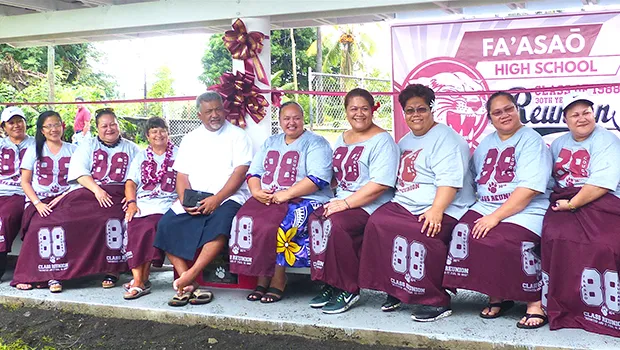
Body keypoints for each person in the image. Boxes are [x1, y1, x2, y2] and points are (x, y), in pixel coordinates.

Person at [359, 84, 475, 321]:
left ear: (432, 109)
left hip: (446, 205)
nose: (415, 115)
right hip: (406, 203)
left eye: (421, 109)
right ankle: (396, 289)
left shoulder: (447, 139)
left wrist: (436, 210)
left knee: (423, 232)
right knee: (377, 223)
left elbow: (450, 183)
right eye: (410, 111)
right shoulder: (405, 141)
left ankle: (435, 300)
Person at [442, 91, 552, 329]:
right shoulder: (487, 142)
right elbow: (474, 178)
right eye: (497, 112)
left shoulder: (531, 139)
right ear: (490, 118)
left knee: (509, 240)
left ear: (517, 110)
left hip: (526, 208)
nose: (505, 115)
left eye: (509, 109)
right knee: (463, 230)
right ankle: (497, 295)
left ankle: (535, 302)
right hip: (487, 204)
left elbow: (530, 189)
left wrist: (494, 217)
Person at [10, 108, 139, 290]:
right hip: (85, 193)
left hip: (115, 194)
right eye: (104, 126)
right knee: (57, 221)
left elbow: (136, 179)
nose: (109, 129)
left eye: (112, 124)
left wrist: (132, 197)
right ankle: (52, 273)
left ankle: (112, 269)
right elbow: (80, 175)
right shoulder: (83, 146)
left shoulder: (132, 148)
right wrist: (96, 191)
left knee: (109, 218)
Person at [154, 91, 252, 307]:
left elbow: (240, 172)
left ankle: (191, 275)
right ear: (200, 115)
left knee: (220, 226)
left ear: (224, 109)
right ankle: (187, 282)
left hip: (227, 196)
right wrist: (185, 200)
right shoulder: (190, 139)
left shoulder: (238, 135)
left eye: (218, 109)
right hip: (195, 196)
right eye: (209, 111)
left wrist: (217, 199)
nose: (214, 115)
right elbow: (182, 176)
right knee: (165, 225)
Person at [229, 101, 333, 303]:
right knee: (244, 218)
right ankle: (261, 275)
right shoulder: (271, 142)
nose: (291, 122)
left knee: (283, 223)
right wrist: (256, 191)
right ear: (280, 121)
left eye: (296, 118)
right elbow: (254, 171)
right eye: (286, 118)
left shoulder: (316, 143)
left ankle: (278, 279)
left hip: (307, 198)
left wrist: (287, 194)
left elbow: (318, 179)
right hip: (271, 197)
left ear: (303, 120)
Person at [307, 88, 399, 314]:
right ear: (346, 111)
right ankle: (330, 281)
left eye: (364, 108)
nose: (359, 113)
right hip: (343, 199)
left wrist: (346, 204)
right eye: (353, 109)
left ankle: (349, 288)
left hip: (371, 204)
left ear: (373, 110)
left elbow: (380, 184)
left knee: (337, 225)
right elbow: (337, 175)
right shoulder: (343, 137)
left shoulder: (382, 140)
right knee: (316, 219)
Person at [541, 93, 620, 337]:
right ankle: (565, 306)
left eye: (586, 112)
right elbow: (552, 180)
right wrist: (564, 204)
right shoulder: (557, 144)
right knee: (555, 236)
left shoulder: (607, 140)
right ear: (566, 119)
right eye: (575, 114)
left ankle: (602, 309)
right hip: (564, 200)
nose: (582, 118)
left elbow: (601, 184)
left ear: (594, 114)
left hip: (599, 200)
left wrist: (573, 204)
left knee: (605, 245)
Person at [11, 111, 76, 292]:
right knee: (40, 225)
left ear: (63, 126)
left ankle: (68, 273)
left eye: (56, 125)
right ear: (42, 130)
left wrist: (64, 197)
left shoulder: (74, 150)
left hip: (66, 197)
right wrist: (38, 204)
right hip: (39, 199)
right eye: (48, 126)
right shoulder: (34, 150)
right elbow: (25, 182)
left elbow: (80, 180)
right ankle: (46, 276)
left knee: (74, 222)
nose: (53, 129)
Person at [122, 117, 178, 300]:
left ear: (168, 133)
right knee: (133, 223)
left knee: (152, 225)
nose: (158, 134)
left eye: (162, 130)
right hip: (143, 203)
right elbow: (131, 182)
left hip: (168, 203)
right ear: (147, 136)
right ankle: (140, 279)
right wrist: (131, 203)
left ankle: (140, 281)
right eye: (154, 131)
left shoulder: (179, 154)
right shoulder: (141, 156)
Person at [0, 106, 35, 280]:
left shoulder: (36, 144)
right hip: (1, 191)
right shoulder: (1, 145)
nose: (16, 125)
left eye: (19, 121)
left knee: (5, 217)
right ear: (3, 127)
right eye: (11, 123)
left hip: (20, 192)